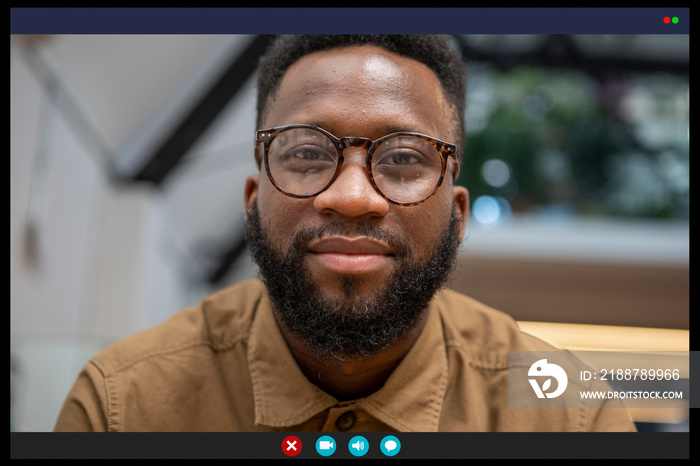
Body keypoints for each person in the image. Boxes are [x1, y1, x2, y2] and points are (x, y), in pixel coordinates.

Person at [54, 34, 636, 432]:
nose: (352, 197)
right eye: (307, 153)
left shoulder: (572, 414)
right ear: (254, 202)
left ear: (457, 215)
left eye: (405, 159)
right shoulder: (122, 405)